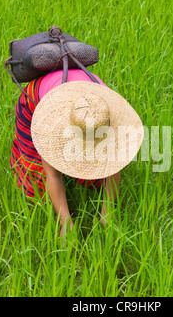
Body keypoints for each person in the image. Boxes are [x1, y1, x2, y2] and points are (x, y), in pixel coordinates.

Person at [10, 69, 142, 237]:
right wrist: (66, 223)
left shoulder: (104, 114)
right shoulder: (50, 122)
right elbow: (53, 175)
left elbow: (114, 168)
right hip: (36, 100)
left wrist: (107, 214)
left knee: (94, 174)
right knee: (35, 182)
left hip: (81, 98)